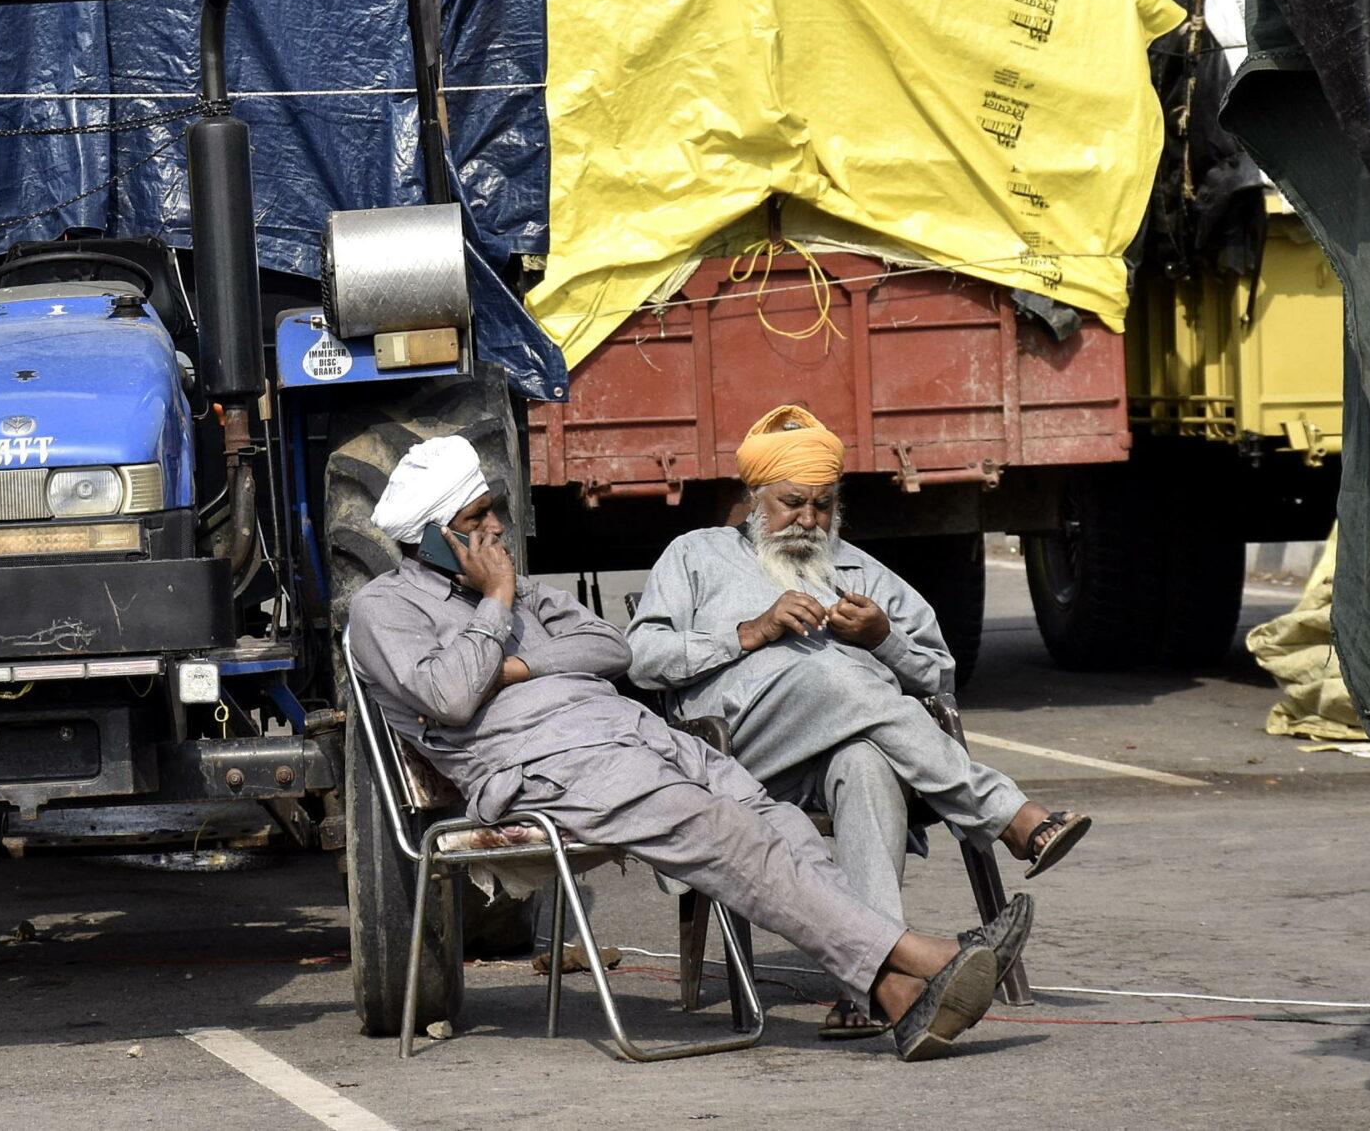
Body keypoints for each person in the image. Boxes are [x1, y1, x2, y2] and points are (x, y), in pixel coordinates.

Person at [347, 434, 1032, 1061]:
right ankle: (926, 953)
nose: (495, 528)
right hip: (547, 766)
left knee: (779, 822)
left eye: (493, 509)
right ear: (432, 537)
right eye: (476, 519)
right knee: (722, 831)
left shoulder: (522, 587)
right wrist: (496, 605)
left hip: (634, 735)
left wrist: (514, 664)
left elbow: (609, 646)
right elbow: (448, 696)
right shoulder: (386, 609)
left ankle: (898, 998)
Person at [627, 403, 1091, 1039]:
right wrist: (750, 633)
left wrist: (885, 640)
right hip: (736, 752)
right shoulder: (697, 555)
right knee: (827, 672)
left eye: (822, 505)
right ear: (753, 498)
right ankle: (1004, 815)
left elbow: (939, 675)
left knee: (867, 762)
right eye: (792, 503)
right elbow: (644, 658)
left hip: (830, 754)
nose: (808, 520)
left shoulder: (861, 571)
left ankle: (871, 988)